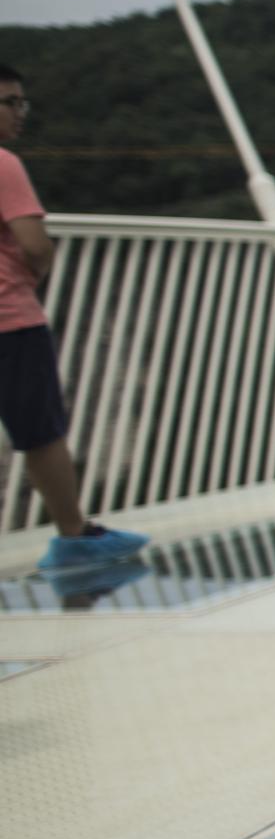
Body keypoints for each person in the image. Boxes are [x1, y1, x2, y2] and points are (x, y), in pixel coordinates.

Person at [0, 65, 149, 574]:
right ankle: (73, 535)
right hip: (9, 321)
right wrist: (32, 272)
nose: (20, 113)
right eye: (10, 103)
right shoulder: (4, 165)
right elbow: (35, 245)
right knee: (40, 430)